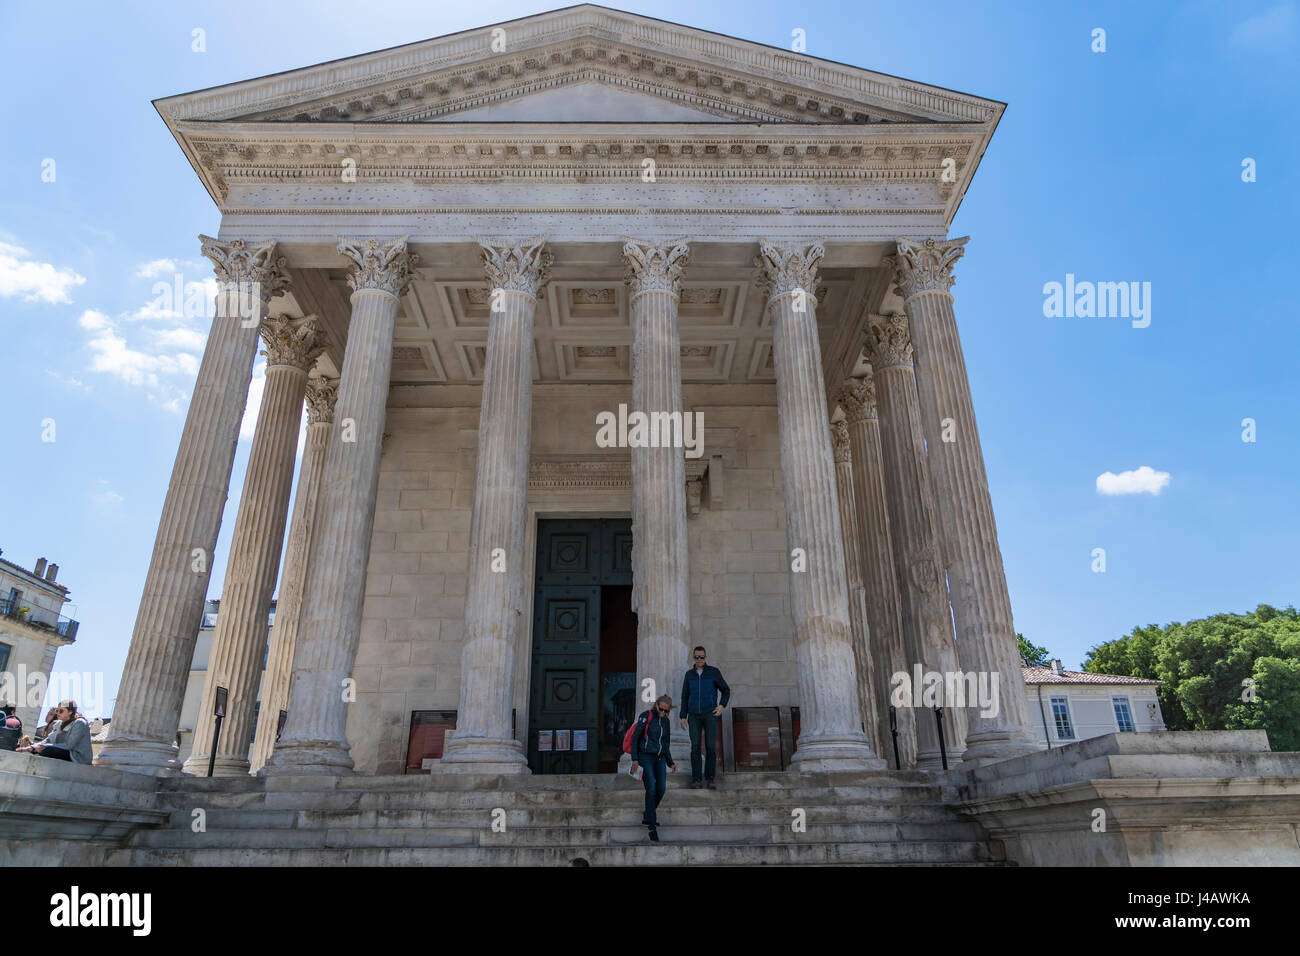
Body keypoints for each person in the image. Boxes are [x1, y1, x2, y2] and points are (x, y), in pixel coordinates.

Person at [679, 646, 730, 789]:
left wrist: (722, 706)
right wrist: (683, 715)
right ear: (693, 658)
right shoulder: (689, 675)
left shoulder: (713, 672)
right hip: (693, 715)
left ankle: (710, 778)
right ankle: (696, 779)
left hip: (710, 714)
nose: (699, 660)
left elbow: (726, 690)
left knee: (710, 747)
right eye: (697, 657)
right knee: (695, 747)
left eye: (702, 657)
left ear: (705, 657)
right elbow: (685, 696)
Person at [629, 694, 677, 842]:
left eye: (666, 711)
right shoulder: (646, 716)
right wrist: (635, 759)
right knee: (651, 788)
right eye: (661, 709)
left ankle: (648, 814)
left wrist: (671, 762)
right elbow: (635, 737)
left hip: (660, 758)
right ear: (656, 705)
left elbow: (666, 744)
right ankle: (652, 827)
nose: (663, 713)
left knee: (661, 788)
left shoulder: (666, 722)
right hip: (645, 757)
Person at [16, 700, 93, 764]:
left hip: (78, 756)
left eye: (61, 711)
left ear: (70, 712)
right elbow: (49, 739)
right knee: (39, 749)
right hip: (64, 751)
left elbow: (69, 745)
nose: (58, 713)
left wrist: (45, 746)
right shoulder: (59, 723)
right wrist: (33, 746)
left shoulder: (80, 723)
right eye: (57, 710)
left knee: (48, 750)